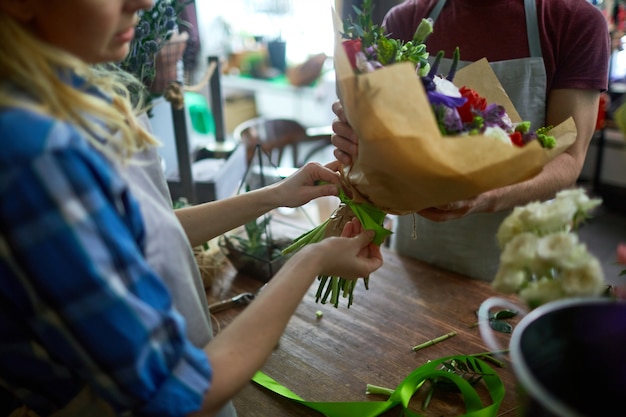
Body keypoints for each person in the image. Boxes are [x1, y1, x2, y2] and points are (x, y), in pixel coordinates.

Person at [0, 1, 383, 416]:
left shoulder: (69, 97)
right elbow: (174, 398)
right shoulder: (34, 157)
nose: (144, 3)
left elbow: (143, 235)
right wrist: (311, 260)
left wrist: (275, 195)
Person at [331, 0, 610, 281]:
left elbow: (569, 158)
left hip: (517, 266)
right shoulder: (407, 18)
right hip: (417, 254)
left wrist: (485, 197)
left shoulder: (574, 21)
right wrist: (360, 144)